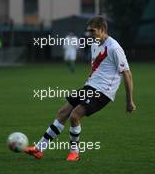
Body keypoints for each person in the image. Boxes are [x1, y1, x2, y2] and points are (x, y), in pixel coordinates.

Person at [24, 16, 136, 161]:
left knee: (75, 116)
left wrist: (129, 101)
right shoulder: (95, 44)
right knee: (63, 112)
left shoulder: (114, 48)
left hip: (103, 91)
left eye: (93, 31)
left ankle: (74, 153)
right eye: (88, 31)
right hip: (90, 86)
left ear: (102, 30)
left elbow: (127, 74)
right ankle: (39, 149)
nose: (90, 34)